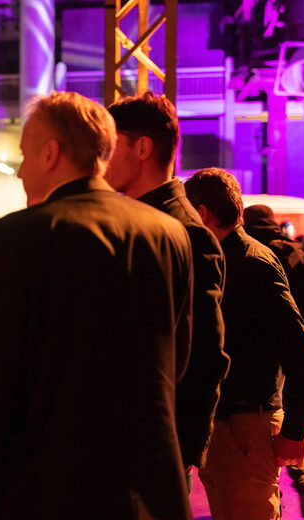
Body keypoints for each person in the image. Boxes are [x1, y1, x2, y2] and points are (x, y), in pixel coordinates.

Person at [0, 92, 194, 520]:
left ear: (51, 154)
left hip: (48, 488)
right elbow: (178, 361)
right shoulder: (169, 233)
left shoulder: (15, 237)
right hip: (149, 488)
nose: (18, 171)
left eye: (24, 156)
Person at [105, 92, 230, 484]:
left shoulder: (187, 233)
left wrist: (183, 453)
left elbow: (207, 356)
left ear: (142, 148)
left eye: (110, 146)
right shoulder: (132, 219)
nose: (100, 157)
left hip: (156, 447)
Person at [184, 168, 304, 520]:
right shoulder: (225, 258)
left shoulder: (251, 262)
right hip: (232, 423)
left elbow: (303, 354)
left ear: (202, 213)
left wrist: (294, 431)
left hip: (245, 425)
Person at [243, 203, 304, 517]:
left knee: (272, 417)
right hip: (299, 350)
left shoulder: (251, 253)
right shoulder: (300, 256)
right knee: (289, 418)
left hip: (264, 352)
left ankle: (278, 488)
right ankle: (303, 483)